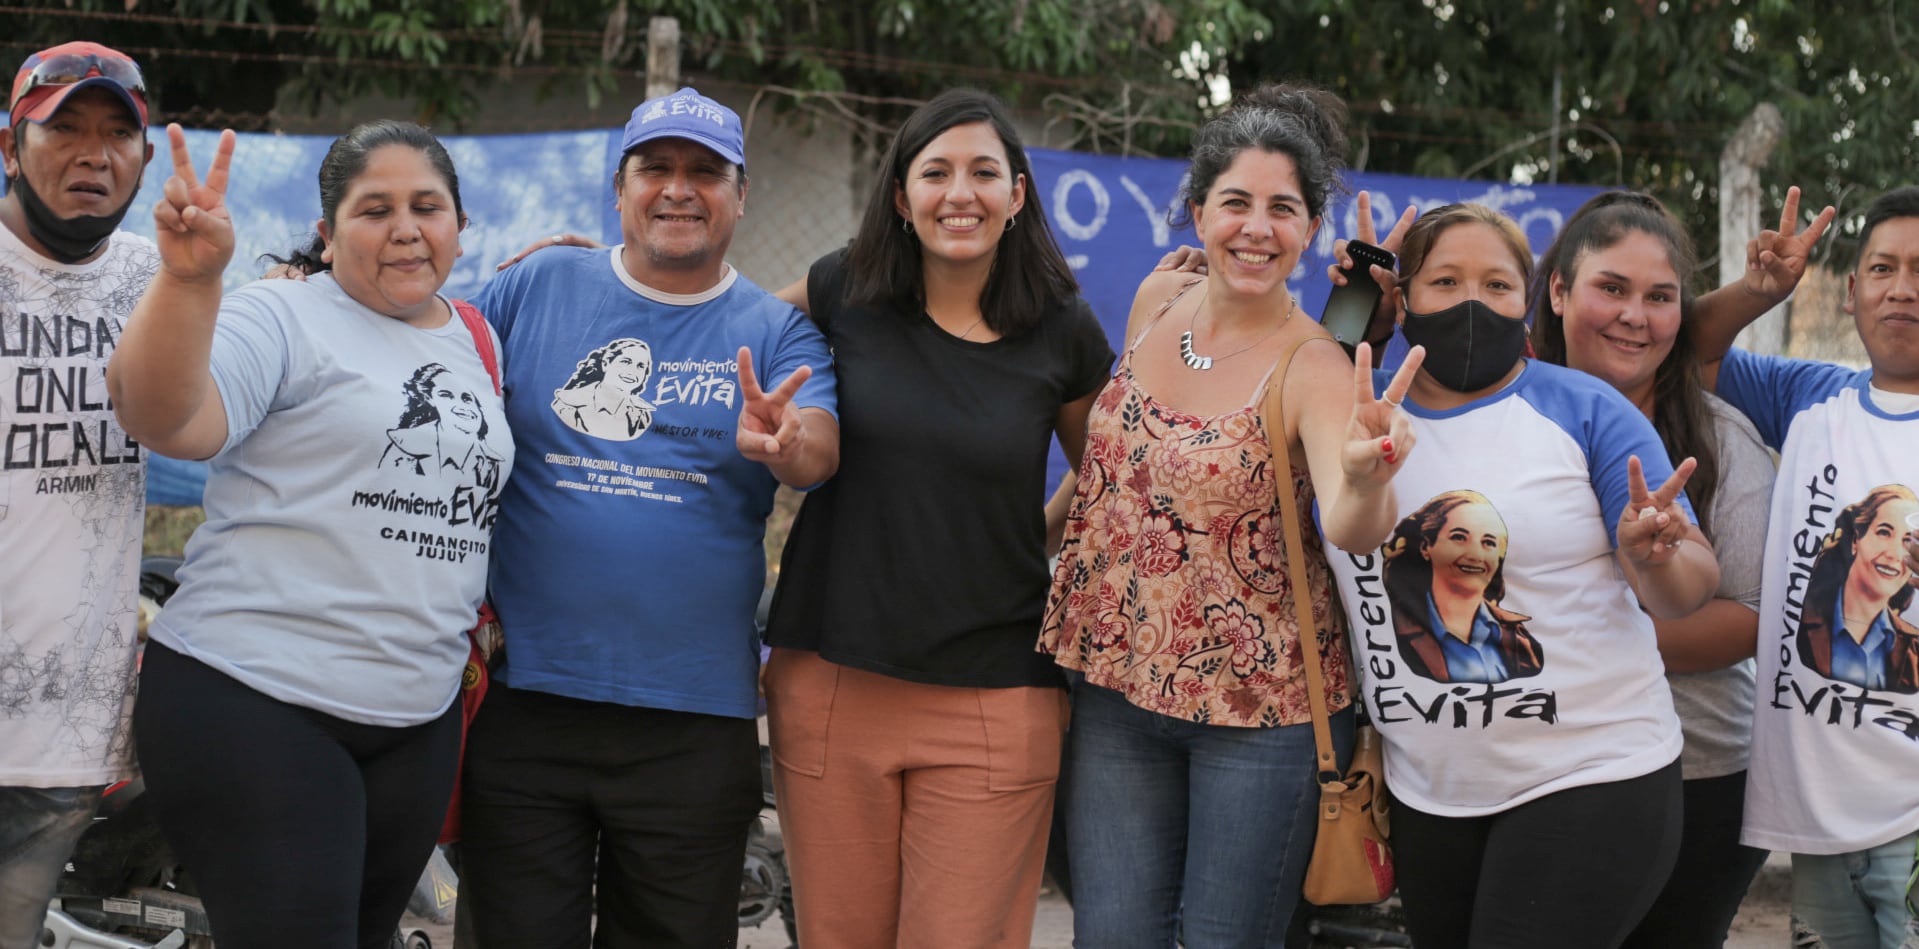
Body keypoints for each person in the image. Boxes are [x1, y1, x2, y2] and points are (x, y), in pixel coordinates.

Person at [106, 119, 510, 947]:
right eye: (374, 209)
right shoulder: (281, 315)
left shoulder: (476, 338)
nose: (405, 227)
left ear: (459, 229)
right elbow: (167, 418)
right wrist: (189, 282)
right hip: (257, 700)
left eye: (427, 206)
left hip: (416, 718)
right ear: (328, 236)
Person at [1038, 83, 1423, 948]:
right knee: (1111, 936)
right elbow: (1112, 473)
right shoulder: (1152, 305)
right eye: (1235, 202)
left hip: (1261, 715)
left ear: (1311, 227)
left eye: (1283, 208)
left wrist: (1367, 477)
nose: (1256, 227)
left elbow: (1353, 523)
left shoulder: (1318, 365)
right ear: (1196, 210)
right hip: (1115, 693)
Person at [456, 86, 840, 948]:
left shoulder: (776, 331)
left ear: (740, 196)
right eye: (654, 168)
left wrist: (787, 442)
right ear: (618, 189)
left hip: (691, 720)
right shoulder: (536, 284)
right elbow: (422, 346)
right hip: (525, 702)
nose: (678, 188)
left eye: (705, 172)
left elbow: (818, 446)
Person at [753, 87, 1112, 949]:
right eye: (936, 172)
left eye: (984, 172)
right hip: (833, 681)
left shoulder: (1061, 327)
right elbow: (713, 329)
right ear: (900, 196)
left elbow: (1114, 479)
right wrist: (596, 274)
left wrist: (1034, 533)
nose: (961, 193)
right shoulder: (844, 289)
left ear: (1017, 194)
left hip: (994, 694)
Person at [1319, 202, 1721, 949]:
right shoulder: (1345, 409)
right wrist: (1352, 297)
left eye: (1498, 285)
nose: (1473, 302)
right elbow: (1307, 352)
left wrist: (1655, 553)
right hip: (1427, 792)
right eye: (1444, 280)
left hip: (1592, 772)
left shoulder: (1583, 408)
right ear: (1401, 298)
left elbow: (1687, 585)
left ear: (1527, 301)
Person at [1524, 190, 1779, 948]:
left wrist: (1577, 639)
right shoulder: (1504, 420)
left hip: (1695, 775)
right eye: (1611, 287)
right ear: (1560, 291)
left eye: (1659, 297)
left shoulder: (1720, 440)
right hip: (1529, 767)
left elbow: (1749, 620)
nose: (1634, 315)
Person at [1694, 184, 1919, 949]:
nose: (1902, 287)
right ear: (1851, 291)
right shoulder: (1808, 399)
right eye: (1883, 267)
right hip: (1816, 824)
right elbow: (1683, 349)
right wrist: (1757, 292)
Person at [0, 41, 155, 949]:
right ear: (11, 144)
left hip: (63, 728)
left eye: (117, 133)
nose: (93, 154)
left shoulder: (158, 276)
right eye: (65, 128)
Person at [1381, 489, 1544, 684]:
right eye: (1459, 537)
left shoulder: (1520, 641)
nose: (1476, 555)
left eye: (1489, 542)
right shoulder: (1394, 629)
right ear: (1426, 547)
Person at [1792, 485, 1919, 693]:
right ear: (1854, 540)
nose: (1895, 554)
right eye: (1884, 532)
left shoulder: (1913, 648)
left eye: (1908, 540)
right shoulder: (1799, 616)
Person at [382, 362, 507, 491]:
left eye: (467, 399)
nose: (461, 406)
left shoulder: (490, 462)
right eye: (446, 395)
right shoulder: (405, 447)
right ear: (430, 400)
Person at [548, 336, 657, 439]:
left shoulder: (643, 416)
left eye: (641, 366)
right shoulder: (567, 404)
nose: (632, 371)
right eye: (625, 362)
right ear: (605, 364)